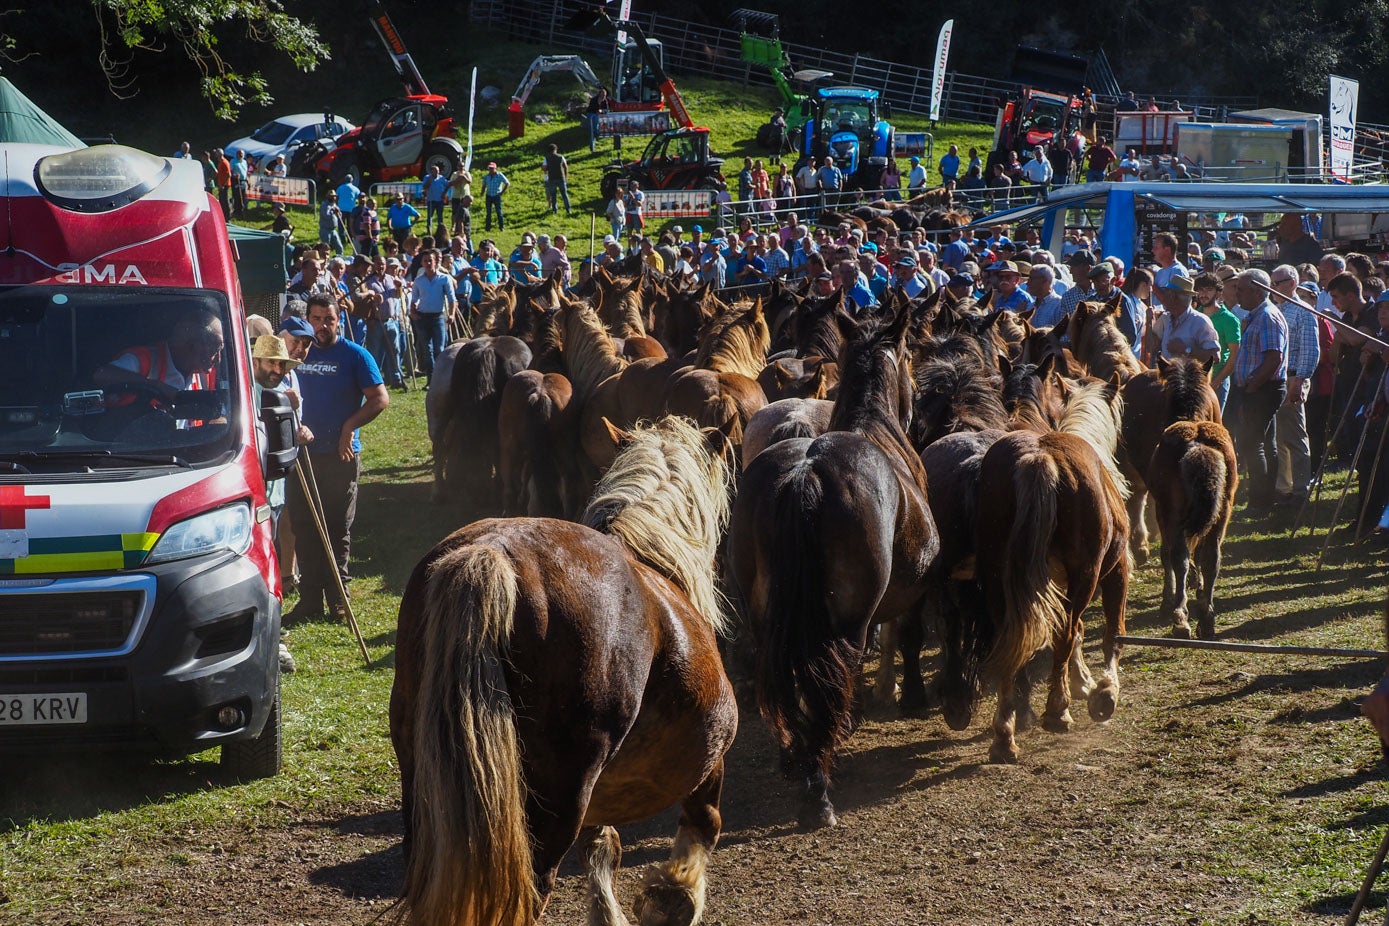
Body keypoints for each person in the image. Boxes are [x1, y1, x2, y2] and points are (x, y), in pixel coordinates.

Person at [285, 293, 388, 622]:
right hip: (300, 455)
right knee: (304, 526)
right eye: (316, 319)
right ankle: (310, 600)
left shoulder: (355, 355)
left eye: (329, 319)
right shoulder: (297, 354)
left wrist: (349, 427)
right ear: (309, 320)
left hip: (339, 456)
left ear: (338, 320)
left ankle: (338, 599)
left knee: (336, 528)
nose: (322, 326)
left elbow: (379, 399)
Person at [1231, 269, 1290, 516]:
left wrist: (1252, 388)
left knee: (1251, 443)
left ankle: (1259, 502)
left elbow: (1273, 357)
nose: (1237, 294)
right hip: (1259, 387)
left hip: (1263, 388)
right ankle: (1264, 498)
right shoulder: (1257, 315)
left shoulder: (1267, 316)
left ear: (1256, 291)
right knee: (1264, 443)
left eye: (1241, 289)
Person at [1268, 264, 1321, 506]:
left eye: (1276, 283)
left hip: (1293, 377)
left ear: (1291, 283)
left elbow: (1310, 350)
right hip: (1281, 376)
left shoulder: (1303, 311)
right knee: (1281, 436)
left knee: (1296, 436)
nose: (1272, 288)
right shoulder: (1279, 309)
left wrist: (1299, 381)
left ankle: (1300, 490)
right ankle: (1284, 487)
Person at [93, 310, 224, 406]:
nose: (218, 359)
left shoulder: (205, 375)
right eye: (214, 349)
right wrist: (155, 387)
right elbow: (102, 375)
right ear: (191, 345)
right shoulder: (144, 359)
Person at [1194, 272, 1242, 411]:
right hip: (1195, 379)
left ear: (1219, 293)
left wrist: (1217, 381)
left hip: (1217, 381)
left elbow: (1234, 356)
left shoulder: (1229, 320)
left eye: (1209, 290)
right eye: (1201, 290)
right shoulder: (1195, 314)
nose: (1203, 294)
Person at [410, 249, 458, 381]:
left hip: (438, 317)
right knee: (427, 350)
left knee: (440, 349)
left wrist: (452, 314)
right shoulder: (419, 281)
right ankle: (431, 379)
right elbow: (413, 300)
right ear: (422, 263)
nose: (428, 263)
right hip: (422, 317)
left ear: (436, 261)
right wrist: (412, 312)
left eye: (430, 260)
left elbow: (452, 298)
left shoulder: (444, 279)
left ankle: (441, 377)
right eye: (425, 261)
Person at [542, 143, 571, 215]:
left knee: (553, 195)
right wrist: (566, 176)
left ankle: (555, 210)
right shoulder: (561, 157)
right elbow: (565, 166)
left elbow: (544, 168)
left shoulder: (547, 158)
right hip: (561, 178)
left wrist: (545, 170)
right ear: (556, 149)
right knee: (564, 195)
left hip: (551, 178)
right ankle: (568, 210)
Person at [482, 161, 509, 231]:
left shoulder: (499, 175)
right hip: (488, 196)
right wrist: (482, 192)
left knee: (499, 212)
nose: (490, 170)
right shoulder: (486, 176)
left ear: (495, 168)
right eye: (490, 168)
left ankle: (501, 227)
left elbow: (507, 183)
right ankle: (488, 227)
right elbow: (484, 185)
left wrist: (502, 192)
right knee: (488, 212)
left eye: (492, 168)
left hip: (496, 196)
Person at [422, 165, 449, 233]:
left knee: (440, 216)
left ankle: (440, 230)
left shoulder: (441, 178)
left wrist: (444, 193)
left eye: (438, 171)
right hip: (431, 200)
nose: (437, 172)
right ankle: (429, 229)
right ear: (431, 171)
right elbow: (424, 187)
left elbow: (447, 185)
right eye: (435, 171)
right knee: (430, 216)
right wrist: (429, 181)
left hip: (440, 200)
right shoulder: (427, 177)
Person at [449, 164, 473, 239]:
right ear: (457, 167)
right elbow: (451, 183)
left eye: (462, 166)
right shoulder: (454, 174)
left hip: (464, 196)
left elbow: (469, 182)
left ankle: (465, 226)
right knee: (455, 211)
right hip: (456, 195)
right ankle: (453, 225)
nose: (461, 167)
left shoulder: (467, 173)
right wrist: (458, 179)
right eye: (459, 166)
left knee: (464, 212)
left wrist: (464, 177)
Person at [319, 190, 345, 255]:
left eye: (334, 196)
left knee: (339, 247)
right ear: (328, 197)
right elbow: (326, 216)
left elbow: (339, 216)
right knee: (325, 248)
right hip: (325, 230)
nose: (333, 198)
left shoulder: (334, 205)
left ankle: (339, 259)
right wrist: (333, 211)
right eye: (331, 196)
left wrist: (338, 212)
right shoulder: (324, 205)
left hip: (333, 230)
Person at [229, 149, 250, 218]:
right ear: (237, 154)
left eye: (242, 154)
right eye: (239, 154)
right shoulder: (233, 161)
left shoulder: (244, 162)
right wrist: (234, 175)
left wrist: (247, 180)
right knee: (237, 195)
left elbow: (245, 172)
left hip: (243, 181)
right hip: (236, 180)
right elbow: (230, 171)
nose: (241, 155)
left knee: (243, 195)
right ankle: (236, 210)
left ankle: (241, 209)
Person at [214, 148, 232, 219]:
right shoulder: (220, 162)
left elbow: (229, 175)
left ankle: (228, 216)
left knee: (225, 201)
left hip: (225, 185)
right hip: (221, 184)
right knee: (221, 200)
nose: (215, 155)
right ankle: (223, 215)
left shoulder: (225, 162)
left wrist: (223, 184)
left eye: (217, 154)